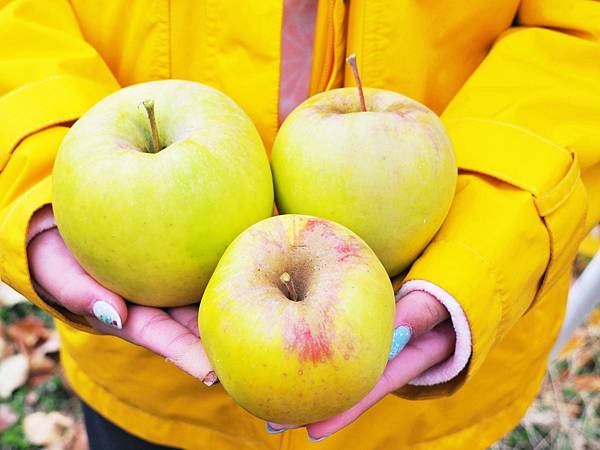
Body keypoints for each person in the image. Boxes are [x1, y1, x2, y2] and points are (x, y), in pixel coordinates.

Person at [1, 0, 598, 448]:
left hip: (423, 392)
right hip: (153, 381)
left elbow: (580, 44)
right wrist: (36, 168)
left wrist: (488, 235)